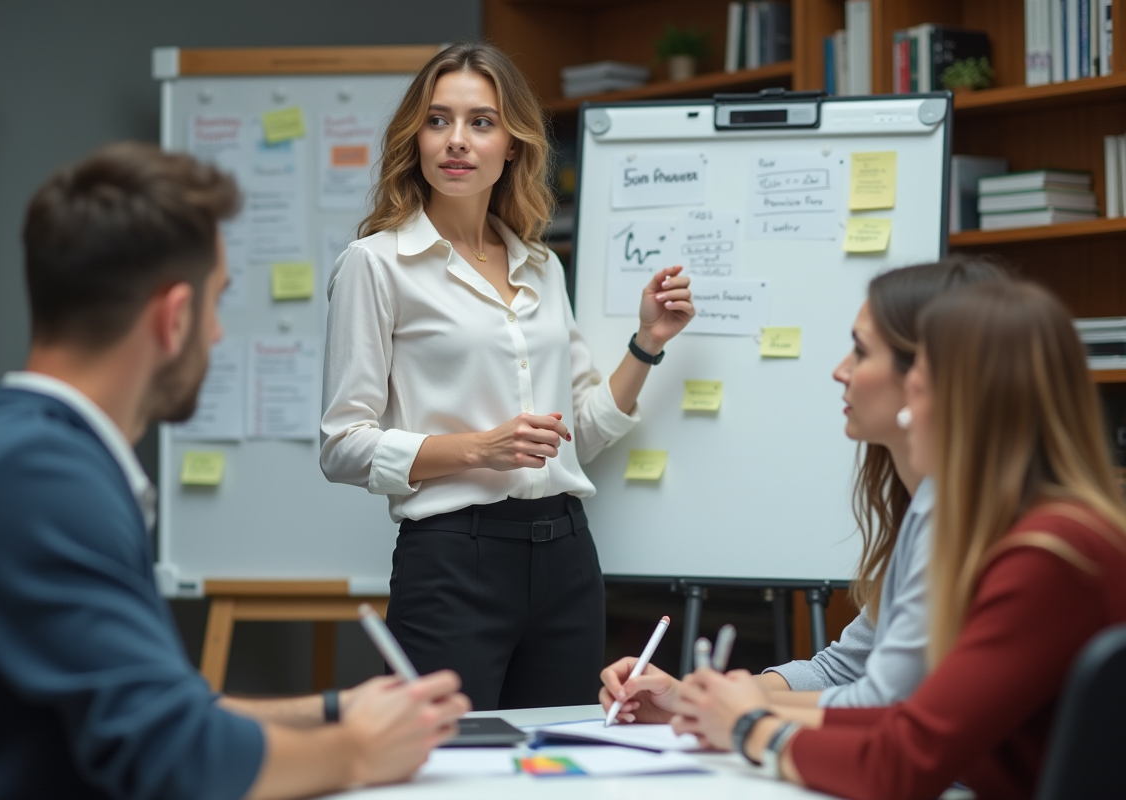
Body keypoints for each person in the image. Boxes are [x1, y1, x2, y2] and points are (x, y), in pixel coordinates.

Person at [0, 142, 469, 800]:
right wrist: (356, 751)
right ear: (174, 316)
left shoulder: (32, 457)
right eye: (216, 303)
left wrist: (334, 711)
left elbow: (163, 705)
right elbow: (175, 757)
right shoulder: (36, 481)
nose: (216, 334)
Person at [319, 42, 694, 711]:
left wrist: (647, 344)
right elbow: (342, 446)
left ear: (512, 144)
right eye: (438, 121)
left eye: (481, 122)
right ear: (415, 138)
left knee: (561, 751)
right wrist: (479, 449)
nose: (456, 141)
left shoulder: (541, 266)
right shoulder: (374, 265)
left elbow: (579, 433)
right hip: (452, 560)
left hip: (567, 557)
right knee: (449, 756)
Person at [671, 281, 1126, 800]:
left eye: (919, 388)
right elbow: (906, 718)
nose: (908, 413)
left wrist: (750, 727)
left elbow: (900, 761)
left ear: (966, 404)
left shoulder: (1046, 557)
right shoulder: (1047, 532)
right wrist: (720, 705)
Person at [598, 257, 1005, 723]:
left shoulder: (974, 528)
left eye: (861, 352)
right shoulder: (926, 510)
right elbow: (843, 671)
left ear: (927, 373)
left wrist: (741, 719)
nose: (840, 371)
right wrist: (691, 699)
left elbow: (887, 710)